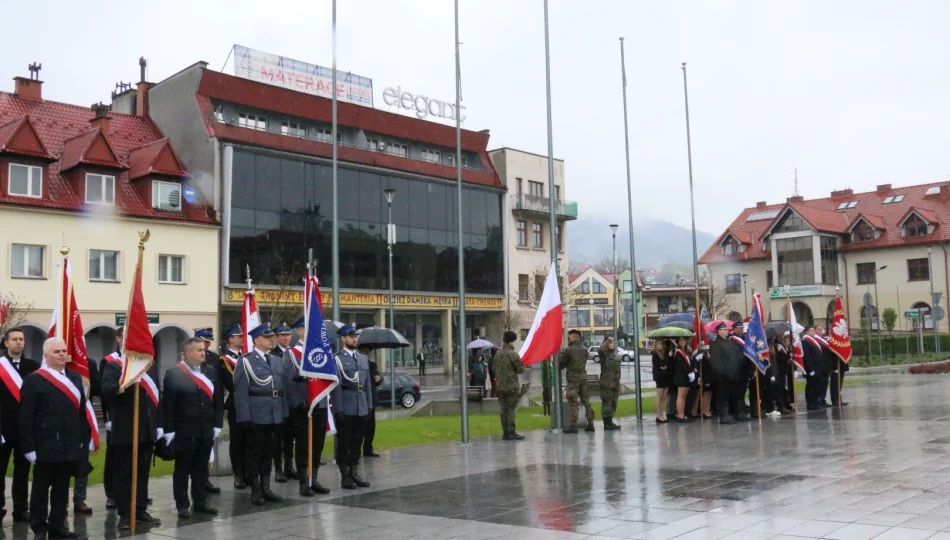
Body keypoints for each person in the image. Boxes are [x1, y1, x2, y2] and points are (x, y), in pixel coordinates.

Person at [20, 338, 90, 539]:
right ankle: (40, 528)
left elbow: (81, 412)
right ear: (46, 356)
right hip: (45, 444)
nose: (61, 354)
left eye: (63, 351)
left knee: (61, 489)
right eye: (56, 352)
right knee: (41, 489)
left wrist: (84, 439)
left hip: (69, 444)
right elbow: (26, 416)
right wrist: (29, 447)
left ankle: (58, 525)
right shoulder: (34, 379)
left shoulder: (75, 378)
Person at [101, 334, 163, 530]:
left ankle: (141, 509)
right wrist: (128, 380)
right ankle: (125, 513)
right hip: (125, 428)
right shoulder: (113, 365)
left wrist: (158, 424)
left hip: (146, 427)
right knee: (123, 473)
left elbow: (156, 395)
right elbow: (108, 389)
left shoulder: (148, 365)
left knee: (143, 472)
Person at [162, 337, 224, 518]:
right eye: (199, 350)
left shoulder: (210, 371)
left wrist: (218, 423)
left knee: (201, 468)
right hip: (185, 430)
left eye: (204, 349)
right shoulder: (174, 373)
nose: (203, 352)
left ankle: (200, 502)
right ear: (188, 353)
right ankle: (182, 504)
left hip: (206, 429)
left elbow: (218, 401)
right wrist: (169, 430)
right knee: (182, 468)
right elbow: (168, 404)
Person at [234, 323, 288, 505]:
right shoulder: (246, 361)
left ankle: (266, 487)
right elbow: (240, 392)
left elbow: (282, 390)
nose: (271, 339)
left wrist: (283, 413)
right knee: (254, 454)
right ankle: (256, 489)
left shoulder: (276, 360)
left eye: (271, 336)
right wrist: (244, 418)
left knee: (269, 452)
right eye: (267, 337)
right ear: (257, 340)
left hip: (274, 414)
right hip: (256, 414)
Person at [283, 318, 332, 496]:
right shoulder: (291, 353)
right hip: (303, 407)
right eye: (307, 328)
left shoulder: (321, 351)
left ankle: (315, 477)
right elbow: (289, 382)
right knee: (304, 444)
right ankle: (304, 481)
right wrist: (298, 402)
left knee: (318, 444)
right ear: (300, 331)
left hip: (320, 403)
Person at [0, 327, 39, 523]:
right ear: (6, 343)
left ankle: (21, 508)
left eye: (21, 339)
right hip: (3, 430)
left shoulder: (33, 366)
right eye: (14, 339)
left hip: (25, 429)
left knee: (22, 472)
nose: (18, 342)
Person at [329, 324, 373, 490]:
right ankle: (345, 475)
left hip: (360, 406)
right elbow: (336, 386)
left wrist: (369, 405)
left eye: (356, 336)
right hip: (345, 407)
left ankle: (355, 472)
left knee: (357, 442)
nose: (355, 339)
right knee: (344, 442)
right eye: (351, 336)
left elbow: (367, 384)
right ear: (343, 339)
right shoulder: (337, 359)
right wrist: (338, 409)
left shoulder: (362, 358)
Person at [193, 328, 223, 495]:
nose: (208, 344)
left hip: (208, 412)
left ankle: (204, 480)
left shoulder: (213, 359)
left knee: (206, 450)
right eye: (204, 341)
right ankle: (195, 481)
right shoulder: (184, 358)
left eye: (209, 341)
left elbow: (216, 387)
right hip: (192, 414)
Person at [72, 351, 102, 515]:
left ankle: (79, 499)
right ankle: (58, 501)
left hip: (83, 414)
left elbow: (97, 389)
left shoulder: (88, 363)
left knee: (82, 460)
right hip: (62, 416)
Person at [99, 327, 124, 511]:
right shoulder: (109, 361)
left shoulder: (141, 360)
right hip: (115, 415)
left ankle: (134, 493)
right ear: (118, 338)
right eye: (125, 337)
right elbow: (104, 392)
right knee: (114, 457)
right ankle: (112, 494)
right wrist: (107, 417)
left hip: (134, 416)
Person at [220, 326, 247, 489]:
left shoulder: (247, 357)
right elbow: (232, 384)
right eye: (238, 336)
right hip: (236, 404)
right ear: (230, 339)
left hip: (251, 403)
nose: (242, 338)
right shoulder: (224, 360)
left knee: (249, 440)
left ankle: (249, 472)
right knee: (237, 441)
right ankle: (238, 474)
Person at [271, 323, 296, 484]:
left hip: (293, 401)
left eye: (288, 335)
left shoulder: (294, 353)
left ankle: (289, 466)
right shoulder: (272, 355)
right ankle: (278, 469)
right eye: (283, 335)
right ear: (277, 337)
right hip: (279, 401)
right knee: (277, 438)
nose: (286, 338)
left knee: (290, 437)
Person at [709, 322, 746, 424]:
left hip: (733, 373)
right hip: (723, 376)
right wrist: (723, 373)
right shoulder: (715, 343)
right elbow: (716, 361)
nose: (727, 331)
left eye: (727, 329)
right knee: (723, 396)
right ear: (719, 331)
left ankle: (736, 414)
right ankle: (723, 416)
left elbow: (735, 356)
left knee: (733, 395)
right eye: (725, 330)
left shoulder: (729, 342)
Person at [559, 329, 594, 433]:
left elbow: (561, 364)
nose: (568, 339)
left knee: (573, 402)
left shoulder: (569, 350)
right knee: (586, 401)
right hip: (583, 378)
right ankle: (591, 423)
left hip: (573, 380)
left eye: (569, 337)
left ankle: (573, 425)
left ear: (572, 338)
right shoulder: (584, 349)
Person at [494, 331, 526, 440]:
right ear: (512, 341)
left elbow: (494, 369)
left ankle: (505, 432)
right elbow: (520, 370)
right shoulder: (513, 354)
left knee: (503, 410)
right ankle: (511, 432)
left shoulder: (497, 355)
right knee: (511, 409)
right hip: (511, 386)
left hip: (500, 386)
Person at [362, 348, 381, 458]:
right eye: (365, 353)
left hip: (371, 399)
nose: (367, 355)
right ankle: (356, 450)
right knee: (360, 427)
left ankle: (368, 449)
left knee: (371, 426)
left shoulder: (372, 365)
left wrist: (379, 379)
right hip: (361, 399)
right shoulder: (357, 364)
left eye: (368, 353)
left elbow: (377, 380)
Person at [598, 337, 622, 430]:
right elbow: (601, 350)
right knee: (607, 403)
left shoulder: (614, 356)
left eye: (613, 343)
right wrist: (607, 340)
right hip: (606, 384)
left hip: (615, 384)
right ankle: (606, 423)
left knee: (613, 403)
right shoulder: (604, 356)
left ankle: (610, 421)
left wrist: (617, 383)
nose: (612, 344)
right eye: (610, 343)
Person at [802, 326, 825, 411]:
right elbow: (807, 357)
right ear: (806, 332)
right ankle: (810, 404)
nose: (813, 332)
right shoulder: (805, 341)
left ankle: (815, 402)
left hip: (818, 368)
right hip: (812, 369)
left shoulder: (813, 341)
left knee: (816, 387)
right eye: (811, 331)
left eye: (813, 330)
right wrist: (810, 369)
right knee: (811, 387)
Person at [671, 337, 694, 423]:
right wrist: (689, 372)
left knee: (684, 397)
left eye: (684, 341)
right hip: (681, 376)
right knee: (680, 396)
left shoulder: (686, 351)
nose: (683, 342)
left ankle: (683, 414)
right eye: (680, 341)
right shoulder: (678, 352)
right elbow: (680, 365)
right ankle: (680, 415)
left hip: (686, 376)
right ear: (678, 342)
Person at [651, 340, 670, 424]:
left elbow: (666, 363)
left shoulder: (665, 353)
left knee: (664, 397)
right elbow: (659, 364)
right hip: (659, 377)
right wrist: (663, 365)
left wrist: (667, 359)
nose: (659, 346)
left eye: (660, 344)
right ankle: (658, 415)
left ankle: (662, 414)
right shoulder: (655, 354)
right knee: (659, 396)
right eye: (657, 344)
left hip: (666, 376)